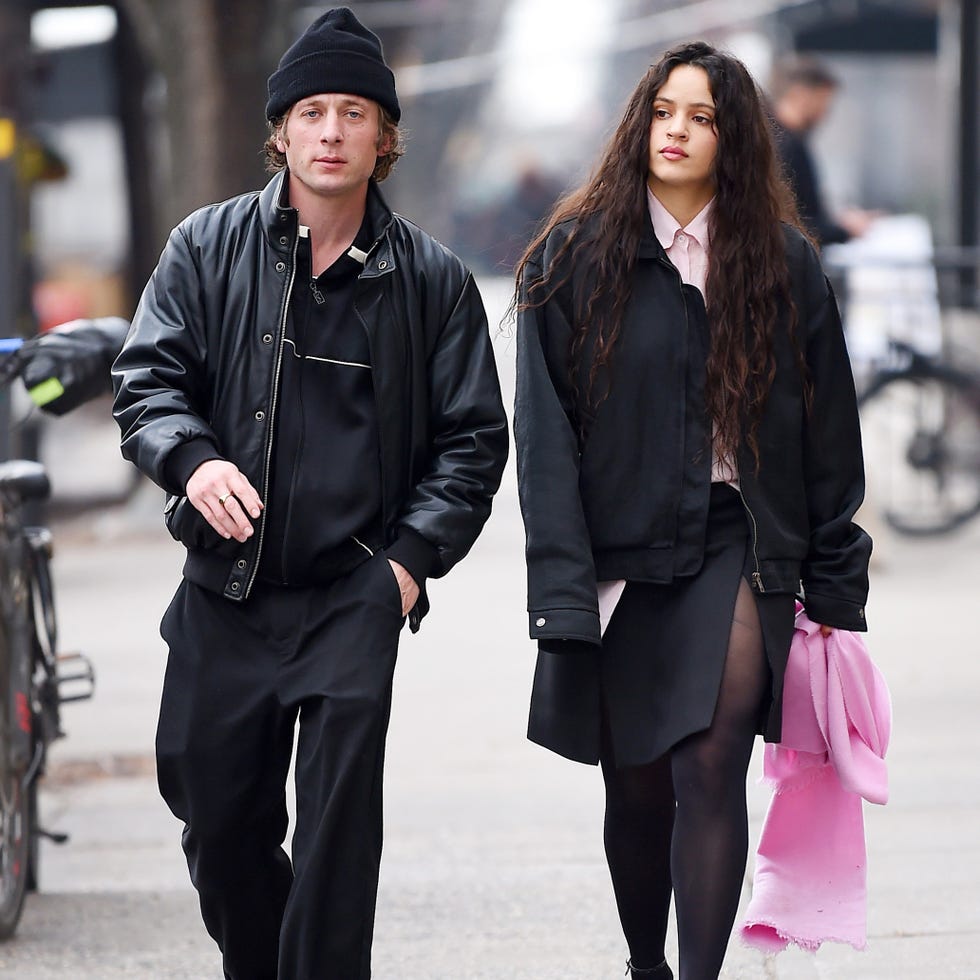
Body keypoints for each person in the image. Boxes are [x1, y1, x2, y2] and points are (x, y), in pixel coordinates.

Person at [112, 8, 508, 978]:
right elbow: (147, 382)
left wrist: (407, 568)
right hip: (226, 591)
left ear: (385, 137)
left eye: (354, 113)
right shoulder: (205, 247)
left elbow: (471, 440)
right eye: (313, 111)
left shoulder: (434, 284)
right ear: (280, 131)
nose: (331, 131)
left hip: (353, 594)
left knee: (337, 841)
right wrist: (192, 458)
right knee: (215, 820)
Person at [513, 41, 871, 979]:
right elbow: (543, 440)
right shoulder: (572, 256)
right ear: (641, 121)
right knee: (636, 786)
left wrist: (837, 576)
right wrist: (556, 585)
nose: (677, 131)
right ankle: (647, 963)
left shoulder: (782, 266)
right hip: (620, 551)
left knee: (710, 762)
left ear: (733, 138)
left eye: (703, 117)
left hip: (735, 542)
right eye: (665, 111)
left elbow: (829, 433)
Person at [769, 55, 877, 247]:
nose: (825, 112)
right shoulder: (785, 146)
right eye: (823, 101)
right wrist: (845, 230)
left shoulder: (783, 140)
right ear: (801, 94)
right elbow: (794, 222)